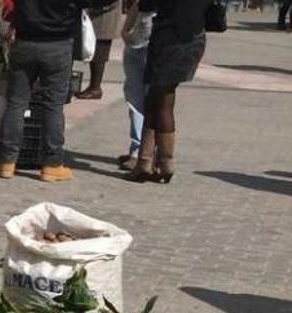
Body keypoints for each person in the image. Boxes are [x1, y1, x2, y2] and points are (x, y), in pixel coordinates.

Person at [0, 0, 119, 182]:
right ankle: (51, 164)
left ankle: (7, 162)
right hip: (58, 44)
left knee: (16, 103)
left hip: (24, 42)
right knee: (52, 106)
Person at [129, 0, 211, 183]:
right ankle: (148, 162)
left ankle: (163, 164)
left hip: (169, 38)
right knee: (157, 99)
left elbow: (146, 6)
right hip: (194, 37)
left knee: (161, 101)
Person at [118, 0, 152, 170]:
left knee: (138, 99)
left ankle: (138, 151)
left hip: (143, 43)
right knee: (160, 102)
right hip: (171, 47)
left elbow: (140, 4)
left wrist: (126, 32)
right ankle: (153, 152)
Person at [75, 1, 124, 99]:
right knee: (96, 47)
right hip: (95, 11)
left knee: (100, 48)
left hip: (105, 11)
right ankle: (93, 87)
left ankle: (95, 87)